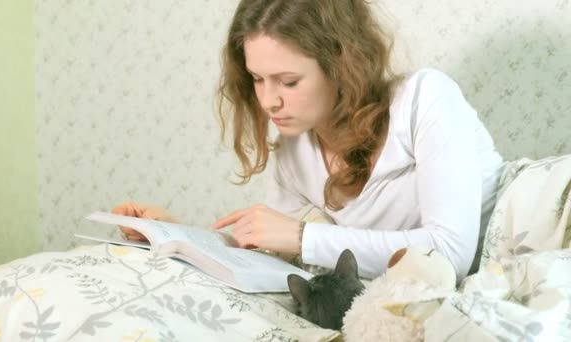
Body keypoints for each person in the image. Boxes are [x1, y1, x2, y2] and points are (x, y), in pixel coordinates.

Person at [113, 0, 505, 281]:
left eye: (289, 81)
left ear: (342, 64)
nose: (269, 101)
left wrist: (304, 237)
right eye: (257, 79)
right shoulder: (294, 151)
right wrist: (177, 237)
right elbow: (271, 261)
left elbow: (450, 254)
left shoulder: (425, 97)